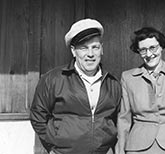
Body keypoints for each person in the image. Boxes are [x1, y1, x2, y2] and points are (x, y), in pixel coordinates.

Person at [30, 18, 121, 154]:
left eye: (95, 47)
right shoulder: (53, 79)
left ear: (102, 49)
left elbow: (117, 119)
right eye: (84, 48)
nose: (90, 54)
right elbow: (38, 116)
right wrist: (53, 147)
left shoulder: (112, 83)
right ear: (73, 51)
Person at [115, 27, 165, 154]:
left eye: (153, 48)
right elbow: (124, 120)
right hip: (138, 147)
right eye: (143, 50)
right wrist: (120, 151)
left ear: (161, 47)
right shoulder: (128, 78)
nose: (148, 54)